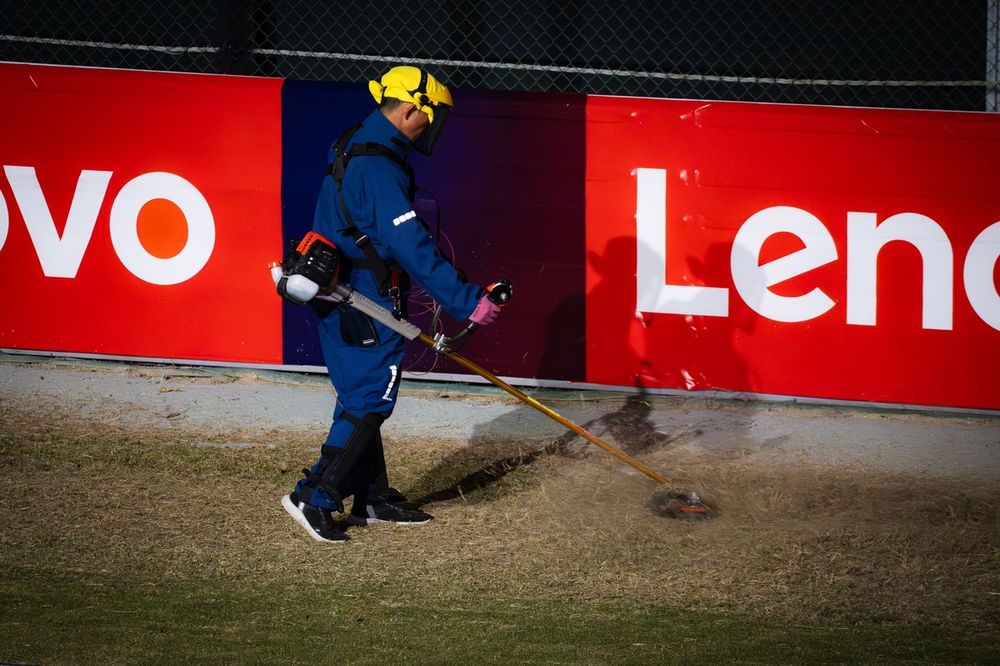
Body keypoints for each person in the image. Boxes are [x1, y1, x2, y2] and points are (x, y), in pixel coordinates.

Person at [282, 65, 502, 543]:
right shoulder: (379, 165)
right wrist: (468, 301)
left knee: (362, 395)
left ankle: (371, 498)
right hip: (359, 298)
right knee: (368, 401)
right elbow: (412, 246)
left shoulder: (356, 139)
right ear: (408, 111)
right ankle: (313, 493)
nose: (433, 128)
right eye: (432, 118)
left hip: (339, 290)